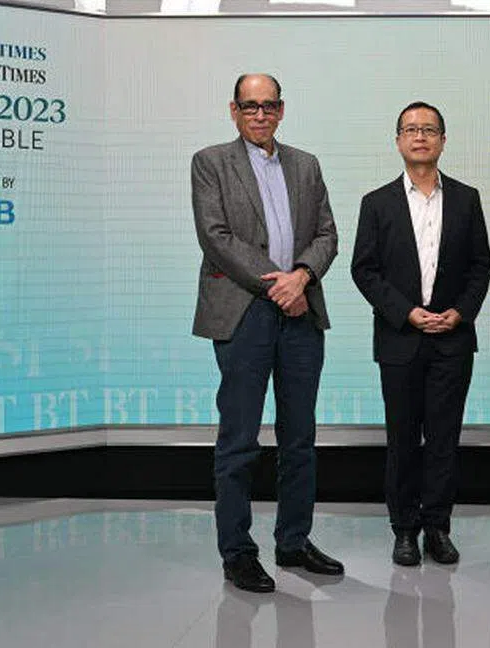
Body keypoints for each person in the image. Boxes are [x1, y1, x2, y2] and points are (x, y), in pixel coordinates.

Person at [191, 73, 343, 593]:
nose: (260, 115)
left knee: (299, 436)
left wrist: (301, 275)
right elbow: (216, 237)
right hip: (244, 312)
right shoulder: (210, 162)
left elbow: (327, 233)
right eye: (249, 106)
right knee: (239, 440)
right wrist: (277, 285)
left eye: (269, 105)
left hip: (302, 309)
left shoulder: (306, 164)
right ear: (233, 111)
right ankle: (237, 552)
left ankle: (293, 541)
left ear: (282, 109)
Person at [351, 101, 490, 566]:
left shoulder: (467, 198)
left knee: (444, 438)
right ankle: (404, 530)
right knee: (403, 438)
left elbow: (481, 266)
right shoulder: (376, 203)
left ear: (443, 140)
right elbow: (365, 270)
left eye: (429, 129)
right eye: (411, 129)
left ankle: (438, 527)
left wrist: (460, 313)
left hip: (453, 339)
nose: (420, 136)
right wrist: (406, 312)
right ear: (397, 141)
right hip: (400, 339)